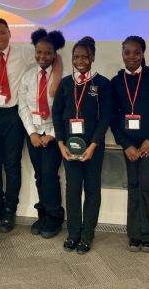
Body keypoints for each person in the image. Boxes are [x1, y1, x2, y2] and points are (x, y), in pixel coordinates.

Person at [0, 17, 62, 233]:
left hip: (13, 114)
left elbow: (53, 55)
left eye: (2, 32)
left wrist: (57, 78)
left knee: (12, 165)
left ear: (10, 33)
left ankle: (10, 210)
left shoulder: (24, 52)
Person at [52, 36, 111, 254]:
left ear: (92, 57)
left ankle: (87, 235)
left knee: (92, 190)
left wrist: (94, 144)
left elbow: (105, 117)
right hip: (70, 147)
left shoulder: (102, 83)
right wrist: (60, 143)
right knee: (73, 189)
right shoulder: (65, 83)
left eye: (85, 57)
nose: (80, 61)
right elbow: (57, 114)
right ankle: (73, 233)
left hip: (93, 147)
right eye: (76, 57)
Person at [110, 36, 149, 252]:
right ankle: (134, 234)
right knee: (133, 184)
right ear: (122, 54)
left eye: (136, 52)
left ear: (143, 53)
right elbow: (112, 117)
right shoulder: (116, 82)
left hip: (148, 143)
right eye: (127, 52)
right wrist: (125, 144)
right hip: (129, 145)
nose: (132, 57)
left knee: (146, 184)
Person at [18, 28, 65, 238]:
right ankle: (43, 213)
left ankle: (55, 216)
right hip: (34, 134)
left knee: (49, 175)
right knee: (39, 175)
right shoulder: (28, 76)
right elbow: (23, 107)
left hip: (53, 134)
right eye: (39, 52)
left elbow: (64, 110)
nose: (43, 56)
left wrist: (51, 134)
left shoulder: (62, 78)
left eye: (48, 52)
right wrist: (32, 133)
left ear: (55, 54)